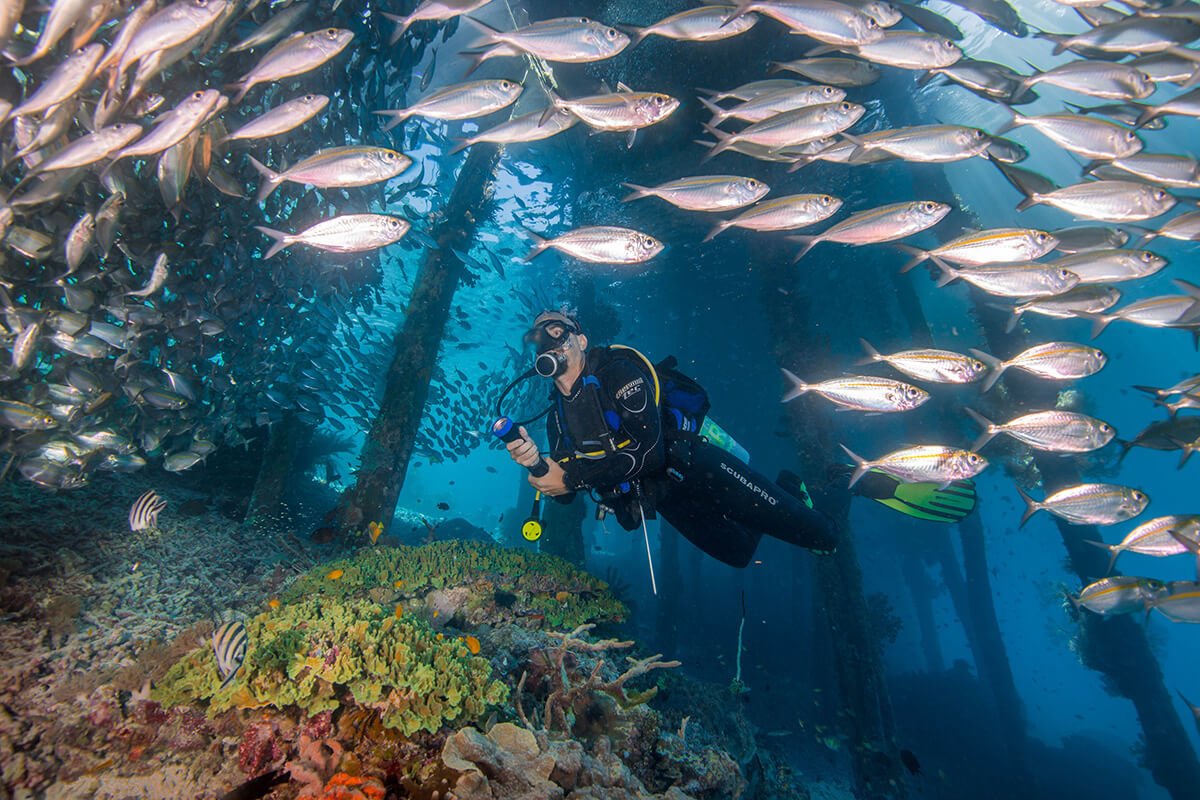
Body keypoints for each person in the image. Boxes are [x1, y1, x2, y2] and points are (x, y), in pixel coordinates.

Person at [503, 310, 839, 568]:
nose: (549, 342)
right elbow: (563, 494)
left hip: (697, 466)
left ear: (581, 340)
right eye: (538, 338)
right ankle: (787, 489)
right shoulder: (556, 418)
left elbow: (650, 452)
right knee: (738, 554)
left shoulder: (619, 373)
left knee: (824, 536)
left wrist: (573, 477)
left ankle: (846, 482)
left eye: (558, 332)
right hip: (662, 495)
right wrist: (536, 466)